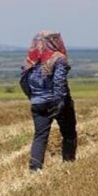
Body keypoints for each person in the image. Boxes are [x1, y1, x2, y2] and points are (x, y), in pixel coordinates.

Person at [20, 31, 77, 170]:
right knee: (69, 133)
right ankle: (68, 165)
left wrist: (32, 97)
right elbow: (59, 83)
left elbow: (23, 82)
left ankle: (35, 169)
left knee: (40, 136)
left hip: (38, 103)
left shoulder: (30, 60)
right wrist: (60, 102)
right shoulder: (59, 58)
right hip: (58, 102)